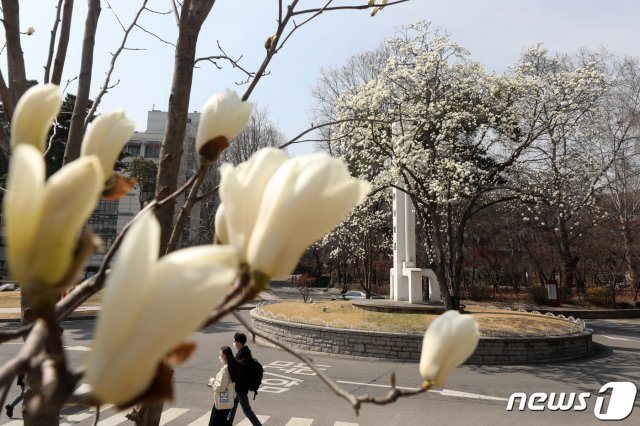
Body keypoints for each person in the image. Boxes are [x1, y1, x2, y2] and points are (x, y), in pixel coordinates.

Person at [227, 332, 262, 425]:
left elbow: (238, 372)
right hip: (240, 387)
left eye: (235, 340)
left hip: (240, 388)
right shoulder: (245, 352)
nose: (233, 342)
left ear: (239, 342)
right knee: (232, 407)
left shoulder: (241, 356)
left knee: (246, 410)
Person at [208, 346, 237, 426]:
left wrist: (212, 381)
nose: (219, 356)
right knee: (222, 422)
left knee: (214, 423)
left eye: (220, 354)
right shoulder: (233, 366)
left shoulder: (225, 369)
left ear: (224, 356)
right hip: (228, 400)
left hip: (222, 401)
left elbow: (220, 387)